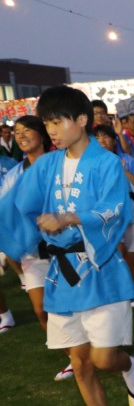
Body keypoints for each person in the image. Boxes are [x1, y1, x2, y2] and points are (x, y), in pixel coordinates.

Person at [13, 85, 134, 406]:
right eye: (47, 123)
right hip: (61, 277)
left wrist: (70, 218)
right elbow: (20, 203)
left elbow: (115, 212)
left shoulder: (105, 163)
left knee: (105, 358)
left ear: (82, 120)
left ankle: (131, 366)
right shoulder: (46, 165)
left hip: (100, 272)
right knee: (80, 360)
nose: (51, 130)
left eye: (57, 122)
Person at [0, 115, 75, 380]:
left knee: (75, 303)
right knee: (41, 309)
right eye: (17, 132)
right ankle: (73, 357)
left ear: (42, 134)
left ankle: (91, 349)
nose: (21, 135)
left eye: (27, 130)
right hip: (32, 252)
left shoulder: (60, 165)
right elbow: (6, 211)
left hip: (65, 246)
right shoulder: (14, 174)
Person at [92, 125, 134, 308]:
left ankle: (126, 288)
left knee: (132, 258)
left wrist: (123, 170)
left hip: (130, 215)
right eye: (98, 138)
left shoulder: (126, 160)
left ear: (113, 140)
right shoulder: (90, 163)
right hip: (108, 218)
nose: (102, 141)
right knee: (121, 255)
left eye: (106, 137)